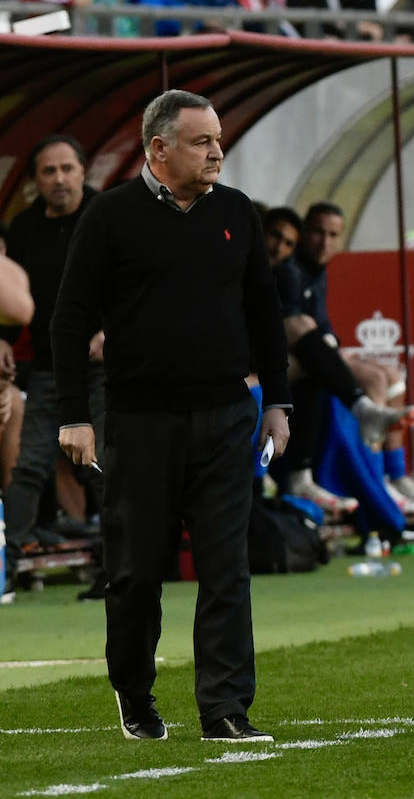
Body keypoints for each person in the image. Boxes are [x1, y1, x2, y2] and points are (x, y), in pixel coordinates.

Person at [50, 90, 292, 742]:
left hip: (224, 417)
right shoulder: (111, 216)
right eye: (201, 140)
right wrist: (75, 414)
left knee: (225, 566)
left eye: (217, 139)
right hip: (139, 420)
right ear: (159, 149)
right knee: (134, 571)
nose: (217, 150)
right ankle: (135, 696)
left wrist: (277, 403)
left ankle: (225, 709)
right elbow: (70, 319)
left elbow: (265, 315)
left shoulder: (237, 212)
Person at [0, 136, 106, 589]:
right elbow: (12, 297)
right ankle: (12, 554)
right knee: (31, 459)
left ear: (84, 172)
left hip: (108, 366)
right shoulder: (22, 230)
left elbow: (143, 281)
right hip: (50, 366)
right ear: (34, 183)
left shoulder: (109, 215)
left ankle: (121, 560)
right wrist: (2, 339)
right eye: (49, 171)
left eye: (67, 168)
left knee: (103, 460)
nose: (59, 179)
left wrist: (112, 331)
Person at [273, 202, 414, 516]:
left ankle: (393, 476)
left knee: (390, 376)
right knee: (369, 377)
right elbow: (292, 327)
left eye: (332, 235)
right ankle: (377, 481)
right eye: (317, 232)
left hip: (286, 360)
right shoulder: (286, 271)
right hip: (254, 367)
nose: (324, 242)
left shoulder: (313, 272)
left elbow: (321, 329)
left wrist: (331, 345)